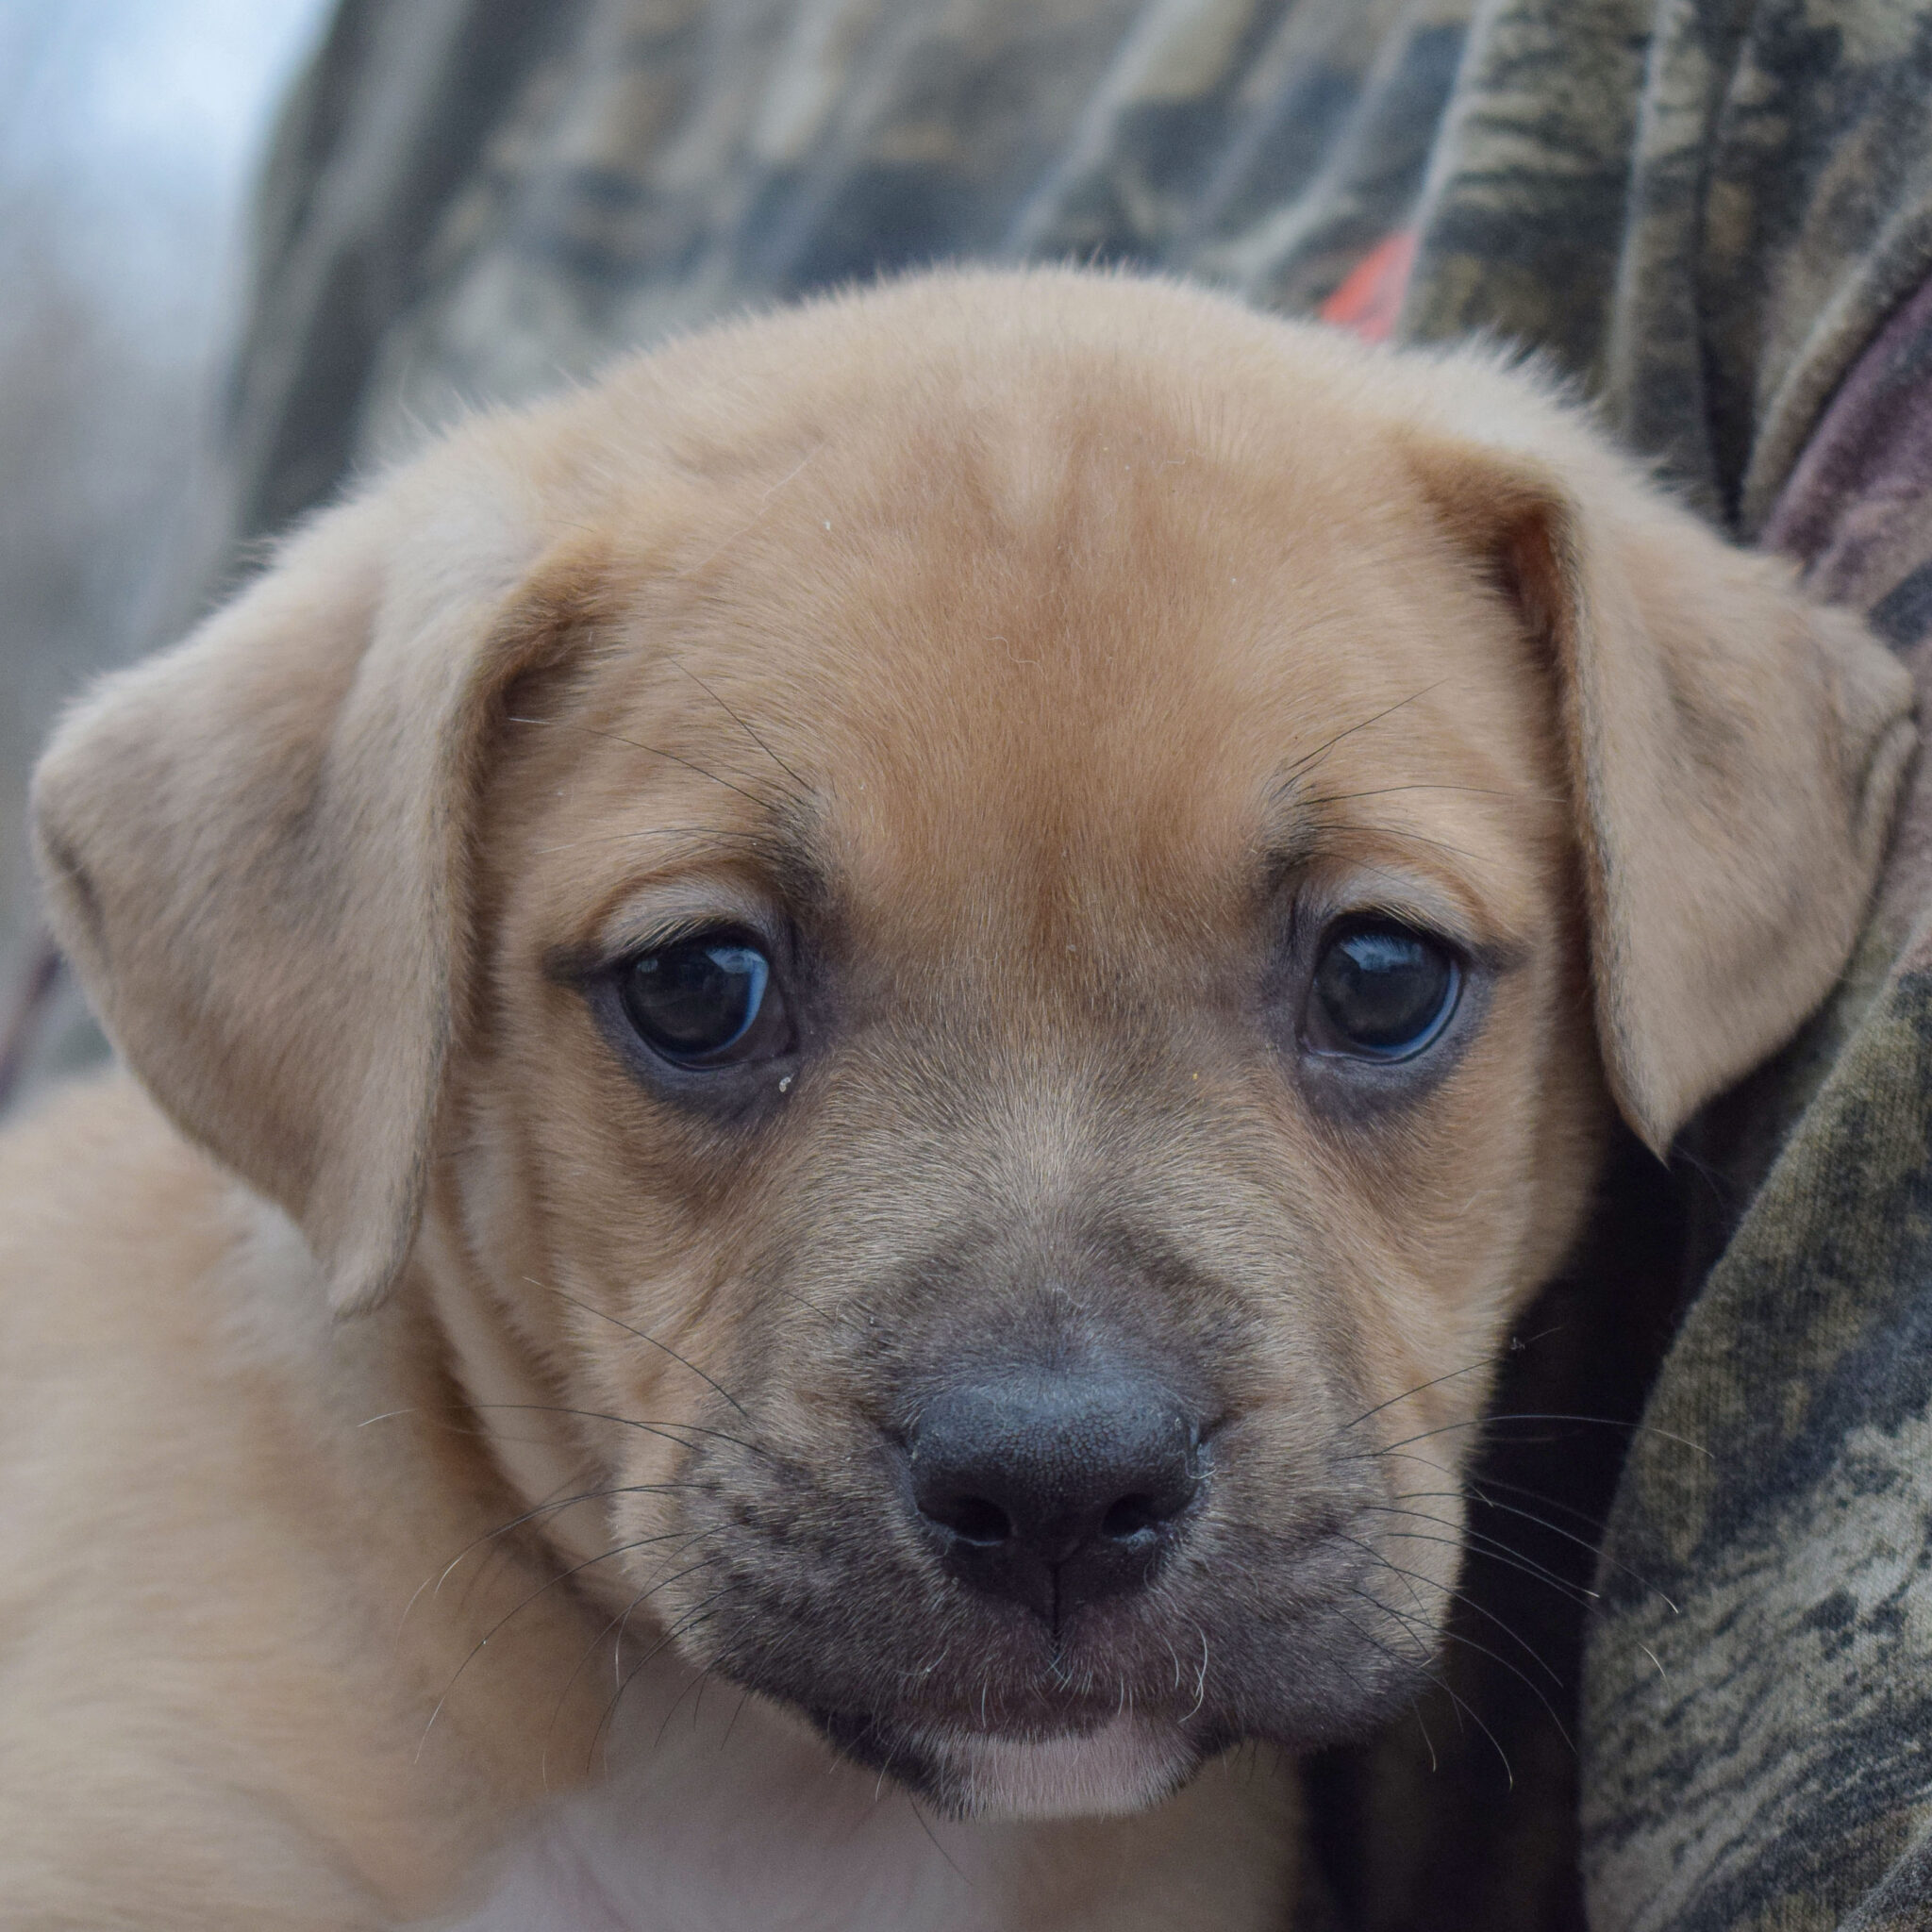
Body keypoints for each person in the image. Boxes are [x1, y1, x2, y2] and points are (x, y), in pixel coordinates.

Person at [111, 2, 1932, 1924]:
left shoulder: (1183, 1843)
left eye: (1373, 984)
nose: (1064, 1433)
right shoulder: (188, 1671)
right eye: (706, 992)